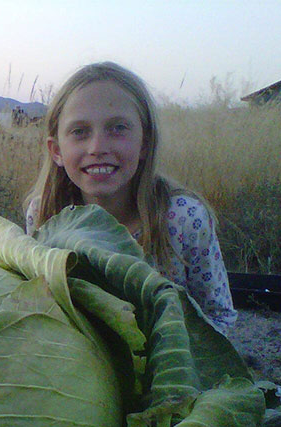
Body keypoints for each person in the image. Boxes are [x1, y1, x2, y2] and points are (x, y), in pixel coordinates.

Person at [25, 62, 236, 334]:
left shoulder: (184, 218)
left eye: (117, 128)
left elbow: (219, 317)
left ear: (145, 143)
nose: (97, 148)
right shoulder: (43, 214)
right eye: (79, 131)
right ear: (56, 151)